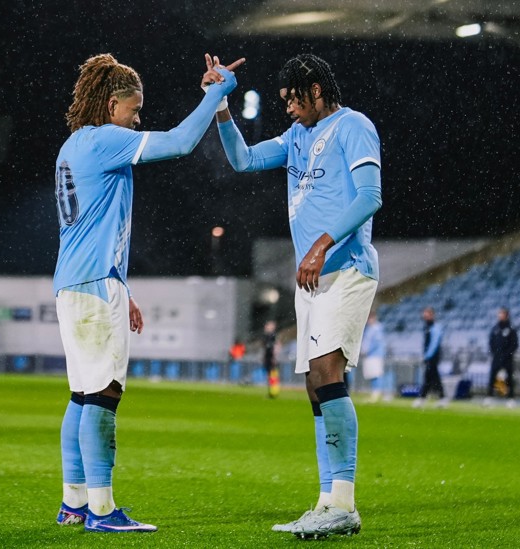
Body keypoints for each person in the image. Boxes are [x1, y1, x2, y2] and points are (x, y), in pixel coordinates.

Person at [53, 53, 243, 533]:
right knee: (103, 394)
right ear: (112, 103)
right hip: (95, 285)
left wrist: (123, 286)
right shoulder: (105, 140)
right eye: (134, 110)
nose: (138, 119)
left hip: (75, 282)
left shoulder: (74, 144)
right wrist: (216, 94)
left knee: (80, 396)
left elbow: (95, 226)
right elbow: (179, 143)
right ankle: (101, 510)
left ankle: (73, 504)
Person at [210, 52, 381, 538]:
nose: (287, 108)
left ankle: (344, 502)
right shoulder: (295, 138)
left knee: (328, 373)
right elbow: (242, 160)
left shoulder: (354, 127)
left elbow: (370, 196)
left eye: (293, 99)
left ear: (317, 91)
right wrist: (221, 104)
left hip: (346, 268)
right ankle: (328, 500)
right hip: (313, 279)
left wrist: (321, 246)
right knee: (313, 386)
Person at [484, 308, 519, 408]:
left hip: (507, 358)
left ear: (506, 315)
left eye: (502, 313)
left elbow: (515, 344)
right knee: (492, 377)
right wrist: (495, 353)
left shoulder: (511, 328)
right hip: (496, 357)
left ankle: (511, 399)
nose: (500, 315)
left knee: (509, 379)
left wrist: (507, 354)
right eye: (499, 313)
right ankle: (489, 397)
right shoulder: (495, 328)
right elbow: (491, 342)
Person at [413, 307, 445, 408]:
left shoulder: (435, 327)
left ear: (432, 315)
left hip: (433, 356)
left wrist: (427, 356)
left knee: (429, 376)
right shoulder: (427, 327)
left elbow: (434, 344)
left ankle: (424, 398)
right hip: (430, 356)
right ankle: (441, 398)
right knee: (433, 377)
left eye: (427, 314)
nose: (424, 316)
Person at [359, 312, 387, 402]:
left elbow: (376, 343)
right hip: (369, 355)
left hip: (375, 355)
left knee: (376, 374)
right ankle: (375, 392)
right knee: (371, 374)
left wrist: (366, 351)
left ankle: (378, 392)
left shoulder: (377, 328)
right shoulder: (369, 329)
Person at [262, 320, 281, 398]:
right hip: (268, 357)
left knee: (273, 375)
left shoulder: (273, 336)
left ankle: (273, 392)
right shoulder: (267, 336)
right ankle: (271, 391)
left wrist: (274, 357)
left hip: (271, 358)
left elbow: (277, 346)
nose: (266, 327)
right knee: (270, 375)